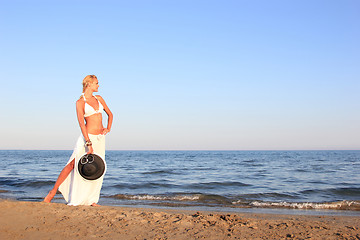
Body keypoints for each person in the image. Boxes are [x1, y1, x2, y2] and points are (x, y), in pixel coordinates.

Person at [44, 75, 113, 206]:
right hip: (87, 138)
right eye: (96, 83)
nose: (98, 86)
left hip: (100, 139)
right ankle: (52, 193)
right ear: (89, 84)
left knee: (97, 168)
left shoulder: (99, 99)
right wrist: (88, 143)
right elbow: (82, 124)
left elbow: (110, 114)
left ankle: (92, 199)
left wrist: (107, 128)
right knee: (72, 164)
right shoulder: (80, 102)